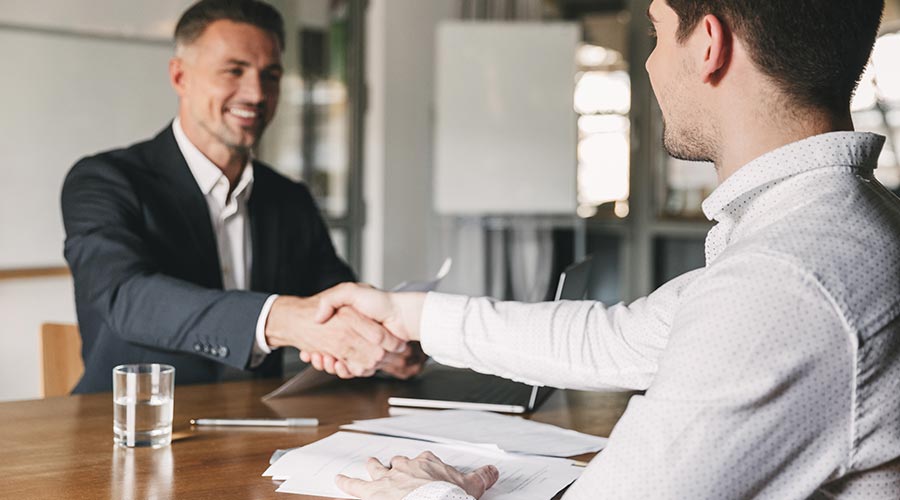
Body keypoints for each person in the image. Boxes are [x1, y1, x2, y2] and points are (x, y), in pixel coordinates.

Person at [304, 0, 900, 498]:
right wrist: (407, 315)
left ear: (709, 45)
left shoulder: (789, 278)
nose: (650, 61)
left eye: (657, 32)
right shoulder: (828, 222)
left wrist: (422, 492)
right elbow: (621, 339)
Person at [61, 0, 422, 394]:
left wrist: (383, 345)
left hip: (262, 420)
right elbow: (125, 296)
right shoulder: (104, 180)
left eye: (271, 76)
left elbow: (335, 296)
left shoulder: (290, 198)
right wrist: (279, 318)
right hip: (129, 424)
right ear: (180, 77)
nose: (256, 93)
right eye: (234, 71)